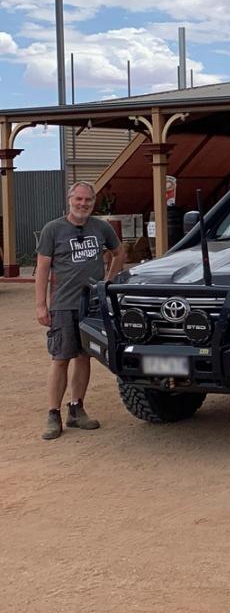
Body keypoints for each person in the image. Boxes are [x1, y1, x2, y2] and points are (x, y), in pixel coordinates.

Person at [35, 182, 122, 441]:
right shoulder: (54, 229)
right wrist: (41, 304)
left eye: (88, 200)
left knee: (84, 357)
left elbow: (118, 253)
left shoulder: (100, 228)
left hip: (91, 305)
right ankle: (53, 414)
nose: (83, 204)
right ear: (70, 199)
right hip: (63, 304)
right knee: (60, 358)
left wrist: (107, 282)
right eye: (79, 199)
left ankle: (77, 408)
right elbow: (41, 270)